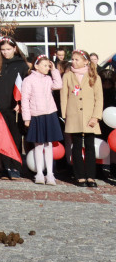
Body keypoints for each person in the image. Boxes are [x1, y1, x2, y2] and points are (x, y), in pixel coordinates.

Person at [61, 49, 103, 187]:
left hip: (90, 117)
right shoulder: (68, 76)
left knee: (90, 146)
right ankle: (79, 176)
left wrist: (95, 117)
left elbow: (99, 99)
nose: (73, 61)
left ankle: (91, 176)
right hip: (74, 117)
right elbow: (64, 98)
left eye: (76, 59)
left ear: (86, 61)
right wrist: (65, 115)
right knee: (77, 146)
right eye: (72, 59)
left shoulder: (94, 76)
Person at [0, 38, 29, 179]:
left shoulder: (22, 65)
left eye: (8, 49)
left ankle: (16, 167)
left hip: (14, 108)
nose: (5, 52)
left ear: (15, 49)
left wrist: (22, 103)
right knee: (3, 139)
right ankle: (6, 168)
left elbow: (26, 87)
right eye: (3, 50)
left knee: (15, 138)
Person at [20, 55, 63, 185]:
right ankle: (39, 173)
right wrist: (26, 118)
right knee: (38, 145)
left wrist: (55, 70)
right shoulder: (28, 80)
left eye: (48, 66)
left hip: (49, 114)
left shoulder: (49, 79)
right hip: (36, 115)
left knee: (48, 144)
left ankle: (50, 173)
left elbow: (58, 85)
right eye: (44, 65)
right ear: (36, 66)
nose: (47, 68)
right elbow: (25, 100)